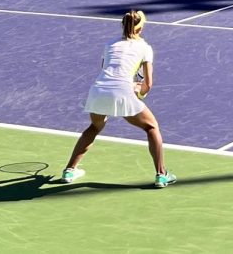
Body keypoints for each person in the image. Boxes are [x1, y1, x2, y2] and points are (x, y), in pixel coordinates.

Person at [59, 10, 176, 188]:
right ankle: (161, 175)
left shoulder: (110, 44)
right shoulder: (145, 48)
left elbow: (107, 71)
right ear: (141, 28)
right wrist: (139, 92)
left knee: (95, 126)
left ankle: (69, 170)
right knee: (151, 127)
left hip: (98, 90)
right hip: (123, 92)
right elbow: (148, 84)